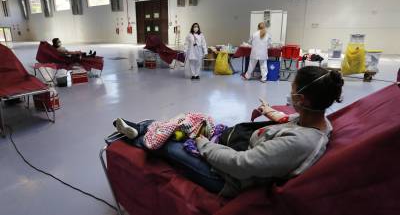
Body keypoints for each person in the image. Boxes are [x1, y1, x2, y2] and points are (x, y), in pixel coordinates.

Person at [112, 66, 344, 197]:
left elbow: (240, 165)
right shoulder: (313, 120)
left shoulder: (300, 143)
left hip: (227, 177)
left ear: (301, 99)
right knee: (192, 118)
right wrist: (268, 111)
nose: (290, 95)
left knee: (171, 145)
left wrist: (203, 143)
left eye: (292, 90)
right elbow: (287, 119)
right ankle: (144, 127)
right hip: (233, 142)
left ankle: (141, 136)